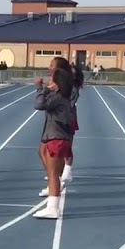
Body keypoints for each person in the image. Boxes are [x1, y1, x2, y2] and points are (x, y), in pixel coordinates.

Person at [33, 69, 75, 220]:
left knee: (53, 175)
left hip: (56, 138)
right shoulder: (62, 99)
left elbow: (38, 105)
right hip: (58, 137)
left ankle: (53, 208)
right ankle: (52, 205)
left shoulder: (58, 99)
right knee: (53, 175)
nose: (48, 81)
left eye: (51, 79)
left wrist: (41, 89)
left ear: (58, 85)